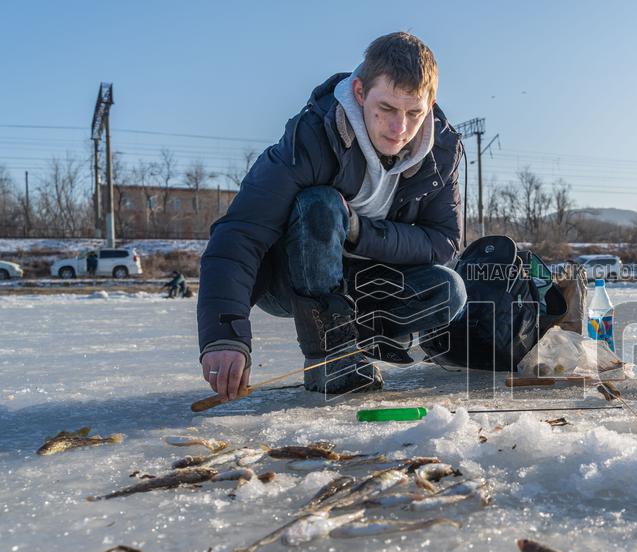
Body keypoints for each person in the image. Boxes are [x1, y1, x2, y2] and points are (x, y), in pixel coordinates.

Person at [197, 32, 467, 403]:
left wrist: (359, 231)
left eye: (414, 113)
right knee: (320, 204)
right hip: (291, 279)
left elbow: (443, 242)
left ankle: (359, 336)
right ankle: (329, 355)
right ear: (359, 92)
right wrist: (224, 334)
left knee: (449, 290)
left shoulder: (441, 152)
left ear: (430, 104)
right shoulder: (312, 135)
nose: (399, 129)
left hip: (369, 282)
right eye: (386, 109)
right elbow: (241, 233)